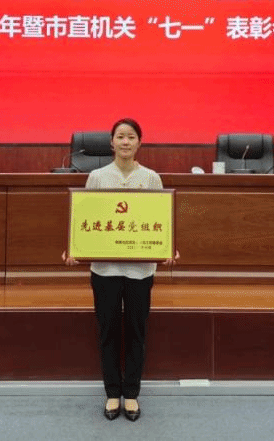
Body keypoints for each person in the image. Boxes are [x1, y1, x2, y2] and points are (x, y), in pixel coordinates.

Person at [62, 117, 177, 422]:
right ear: (111, 143)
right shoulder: (97, 177)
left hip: (140, 271)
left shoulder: (151, 179)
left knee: (136, 332)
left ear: (140, 142)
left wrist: (168, 247)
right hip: (106, 270)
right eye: (120, 137)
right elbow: (86, 220)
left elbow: (161, 221)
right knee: (108, 331)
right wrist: (75, 248)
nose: (126, 142)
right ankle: (113, 392)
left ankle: (132, 394)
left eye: (131, 137)